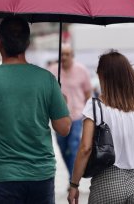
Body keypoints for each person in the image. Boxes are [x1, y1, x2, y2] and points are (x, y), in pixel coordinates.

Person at [0, 16, 71, 204]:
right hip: (41, 176)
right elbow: (63, 128)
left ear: (0, 43)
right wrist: (62, 101)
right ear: (27, 43)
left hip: (5, 177)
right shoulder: (47, 79)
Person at [67, 50, 134, 204]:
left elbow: (85, 148)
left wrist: (74, 185)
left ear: (102, 77)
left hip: (107, 184)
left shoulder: (95, 107)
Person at [48, 44, 92, 182]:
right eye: (62, 54)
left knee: (74, 147)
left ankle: (73, 180)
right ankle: (71, 175)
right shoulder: (52, 71)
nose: (64, 57)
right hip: (58, 117)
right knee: (62, 147)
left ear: (72, 56)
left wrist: (88, 113)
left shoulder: (81, 70)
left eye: (67, 54)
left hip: (77, 115)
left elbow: (88, 92)